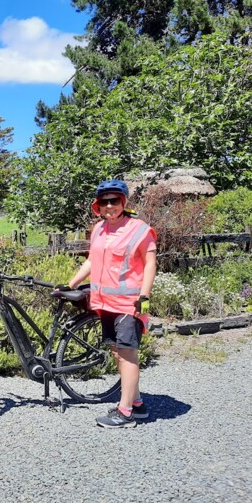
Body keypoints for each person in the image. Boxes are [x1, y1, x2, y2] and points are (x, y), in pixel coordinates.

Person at [68, 180, 157, 428]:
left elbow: (150, 263)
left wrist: (145, 297)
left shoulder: (140, 229)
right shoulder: (98, 229)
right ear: (97, 206)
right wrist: (71, 283)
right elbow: (92, 261)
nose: (110, 205)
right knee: (118, 352)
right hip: (105, 303)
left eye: (114, 200)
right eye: (104, 201)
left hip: (131, 304)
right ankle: (137, 403)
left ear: (123, 203)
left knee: (128, 354)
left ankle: (125, 412)